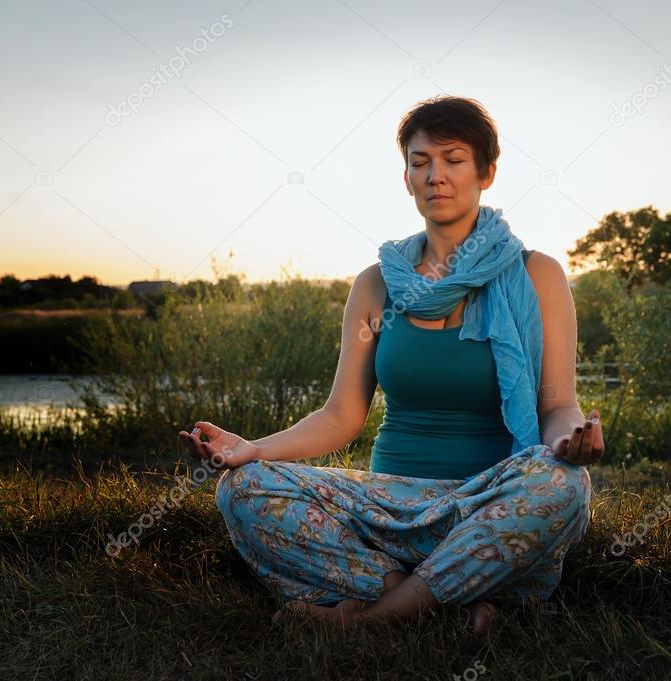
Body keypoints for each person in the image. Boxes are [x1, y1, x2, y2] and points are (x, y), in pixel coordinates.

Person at [178, 95, 604, 637]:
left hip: (486, 504)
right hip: (388, 507)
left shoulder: (536, 275)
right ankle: (449, 601)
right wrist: (253, 449)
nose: (436, 176)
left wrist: (572, 439)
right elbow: (340, 416)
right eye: (420, 161)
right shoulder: (378, 284)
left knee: (562, 482)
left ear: (487, 172)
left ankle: (370, 618)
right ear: (406, 178)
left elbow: (557, 405)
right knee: (242, 489)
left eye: (453, 159)